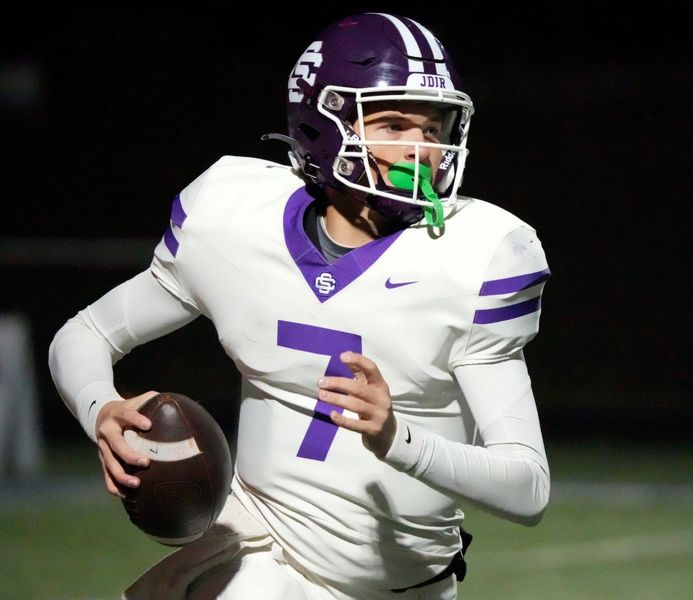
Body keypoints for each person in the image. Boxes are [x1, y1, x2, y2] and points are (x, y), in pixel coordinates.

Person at [49, 12, 551, 600]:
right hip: (257, 551)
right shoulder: (234, 220)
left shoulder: (476, 254)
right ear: (323, 124)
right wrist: (101, 410)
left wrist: (397, 439)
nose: (423, 149)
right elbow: (84, 335)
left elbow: (527, 487)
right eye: (393, 124)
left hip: (398, 588)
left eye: (434, 127)